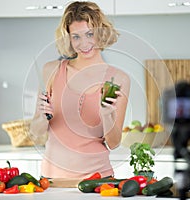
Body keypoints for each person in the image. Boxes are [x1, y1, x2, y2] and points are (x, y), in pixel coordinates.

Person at [30, 1, 130, 179]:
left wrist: (107, 115)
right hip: (52, 180)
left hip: (98, 181)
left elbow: (113, 143)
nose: (84, 44)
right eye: (76, 37)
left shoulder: (119, 79)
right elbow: (36, 134)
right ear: (68, 38)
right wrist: (42, 115)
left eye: (90, 34)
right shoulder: (51, 70)